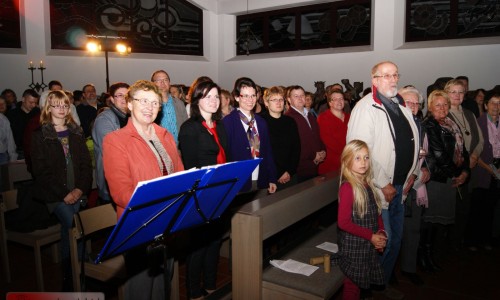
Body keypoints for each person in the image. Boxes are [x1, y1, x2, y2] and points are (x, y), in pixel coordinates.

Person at [103, 80, 184, 300]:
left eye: (155, 102)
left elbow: (180, 176)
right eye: (143, 101)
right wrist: (162, 203)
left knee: (163, 286)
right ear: (129, 104)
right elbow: (120, 192)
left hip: (168, 223)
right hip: (139, 225)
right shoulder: (115, 140)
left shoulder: (165, 136)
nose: (149, 107)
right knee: (141, 290)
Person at [346, 61, 419, 300]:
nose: (392, 79)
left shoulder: (401, 106)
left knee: (395, 240)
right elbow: (358, 152)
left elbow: (409, 145)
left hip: (400, 187)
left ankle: (382, 284)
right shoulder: (366, 108)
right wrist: (382, 182)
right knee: (381, 241)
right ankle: (366, 288)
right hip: (377, 189)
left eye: (395, 75)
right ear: (374, 80)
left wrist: (411, 175)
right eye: (386, 76)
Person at [31, 90, 93, 291]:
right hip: (55, 195)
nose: (61, 109)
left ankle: (69, 278)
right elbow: (41, 171)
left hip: (77, 191)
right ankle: (84, 274)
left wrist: (79, 189)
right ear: (48, 108)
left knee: (68, 233)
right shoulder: (40, 135)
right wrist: (64, 193)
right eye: (56, 105)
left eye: (65, 105)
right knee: (77, 228)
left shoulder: (75, 131)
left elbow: (85, 163)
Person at [178, 81, 228, 300]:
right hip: (201, 194)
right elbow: (190, 167)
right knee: (198, 244)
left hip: (221, 190)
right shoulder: (190, 128)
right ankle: (192, 290)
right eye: (208, 96)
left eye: (216, 96)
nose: (214, 101)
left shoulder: (220, 125)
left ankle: (209, 283)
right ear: (197, 100)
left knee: (215, 241)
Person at [421, 90, 470, 271]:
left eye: (445, 104)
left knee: (438, 224)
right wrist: (457, 174)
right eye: (438, 105)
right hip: (437, 180)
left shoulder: (451, 124)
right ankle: (424, 257)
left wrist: (465, 172)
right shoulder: (430, 125)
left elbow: (463, 151)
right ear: (430, 107)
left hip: (450, 178)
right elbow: (439, 155)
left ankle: (431, 255)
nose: (442, 108)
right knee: (430, 222)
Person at [338, 139, 386, 300]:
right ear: (347, 160)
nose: (363, 162)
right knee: (352, 286)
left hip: (367, 244)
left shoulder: (367, 184)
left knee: (359, 285)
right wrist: (371, 236)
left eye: (366, 157)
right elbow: (343, 222)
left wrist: (381, 233)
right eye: (357, 158)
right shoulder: (348, 187)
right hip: (354, 247)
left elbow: (376, 212)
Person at [445, 79, 483, 251]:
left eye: (460, 92)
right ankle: (447, 246)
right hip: (453, 171)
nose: (457, 95)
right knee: (450, 210)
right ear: (446, 93)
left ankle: (457, 242)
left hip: (470, 168)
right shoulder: (443, 114)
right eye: (453, 92)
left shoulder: (469, 114)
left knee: (464, 209)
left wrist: (474, 155)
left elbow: (480, 139)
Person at [222, 77, 277, 195]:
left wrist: (272, 178)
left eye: (253, 95)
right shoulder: (228, 122)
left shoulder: (261, 122)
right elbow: (226, 156)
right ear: (237, 97)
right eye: (245, 96)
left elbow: (268, 152)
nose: (250, 100)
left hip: (261, 178)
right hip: (239, 182)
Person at [398, 86, 430, 285]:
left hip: (416, 183)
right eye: (409, 103)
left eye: (417, 103)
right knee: (392, 232)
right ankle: (388, 272)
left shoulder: (421, 124)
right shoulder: (393, 124)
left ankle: (408, 268)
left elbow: (427, 152)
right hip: (396, 184)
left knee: (413, 229)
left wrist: (425, 168)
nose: (414, 107)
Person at [467, 93, 500, 250]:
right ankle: (472, 241)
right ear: (486, 105)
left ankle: (487, 239)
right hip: (481, 171)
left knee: (491, 208)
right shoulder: (478, 122)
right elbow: (473, 151)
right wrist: (489, 168)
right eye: (493, 103)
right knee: (477, 207)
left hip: (497, 171)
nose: (496, 106)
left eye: (499, 103)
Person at [92, 82, 130, 203]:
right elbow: (112, 151)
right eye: (119, 95)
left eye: (127, 95)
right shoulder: (104, 119)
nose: (124, 98)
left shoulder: (133, 117)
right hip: (112, 182)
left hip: (131, 180)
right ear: (112, 99)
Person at [260, 86, 300, 190]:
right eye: (274, 100)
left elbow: (296, 148)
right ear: (266, 103)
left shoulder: (290, 121)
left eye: (281, 99)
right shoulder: (261, 122)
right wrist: (279, 172)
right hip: (270, 176)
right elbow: (263, 151)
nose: (279, 102)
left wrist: (289, 171)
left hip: (290, 175)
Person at [285, 85, 325, 182]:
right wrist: (313, 156)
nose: (300, 98)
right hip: (300, 170)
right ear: (289, 100)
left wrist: (323, 150)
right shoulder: (288, 118)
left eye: (302, 95)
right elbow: (294, 145)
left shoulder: (310, 115)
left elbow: (317, 136)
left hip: (315, 166)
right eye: (296, 96)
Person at [151, 70, 189, 144]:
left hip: (179, 148)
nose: (162, 83)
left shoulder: (179, 103)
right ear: (152, 84)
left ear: (169, 83)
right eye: (159, 80)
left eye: (165, 80)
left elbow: (185, 126)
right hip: (160, 148)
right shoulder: (150, 105)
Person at [318, 89, 350, 174]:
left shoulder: (350, 117)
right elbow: (328, 141)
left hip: (350, 162)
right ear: (330, 103)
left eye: (341, 98)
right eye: (335, 99)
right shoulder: (323, 118)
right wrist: (349, 153)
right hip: (331, 164)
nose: (339, 101)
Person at [6, 88, 40, 159]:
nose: (33, 105)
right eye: (31, 102)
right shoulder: (12, 114)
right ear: (23, 99)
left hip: (35, 150)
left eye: (35, 103)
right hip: (19, 151)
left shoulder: (38, 113)